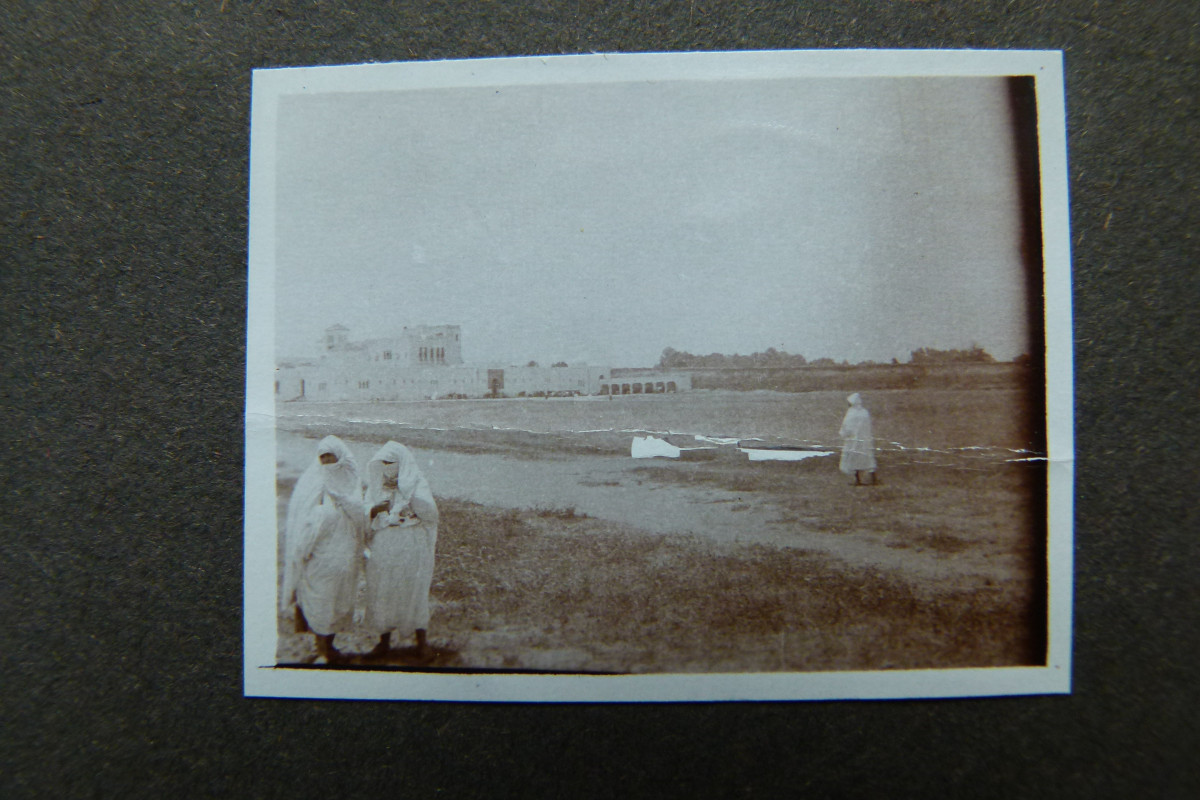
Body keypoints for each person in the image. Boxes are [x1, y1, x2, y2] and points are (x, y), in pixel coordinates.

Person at [280, 435, 365, 664]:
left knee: (338, 603)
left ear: (340, 455)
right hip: (319, 554)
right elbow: (304, 520)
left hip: (344, 554)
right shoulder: (313, 481)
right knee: (320, 602)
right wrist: (303, 548)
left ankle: (330, 647)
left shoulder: (351, 478)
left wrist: (345, 501)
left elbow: (361, 515)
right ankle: (322, 650)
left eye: (331, 456)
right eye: (323, 457)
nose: (327, 461)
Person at [362, 440, 439, 662]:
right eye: (383, 462)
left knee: (413, 588)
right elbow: (365, 509)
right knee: (383, 589)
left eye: (391, 462)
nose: (387, 467)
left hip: (410, 541)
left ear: (402, 462)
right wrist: (375, 509)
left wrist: (408, 493)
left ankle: (421, 641)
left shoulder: (416, 481)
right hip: (385, 542)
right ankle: (383, 641)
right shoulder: (377, 485)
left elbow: (430, 513)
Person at [839, 392, 878, 485]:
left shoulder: (851, 413)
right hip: (865, 440)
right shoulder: (864, 412)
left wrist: (844, 434)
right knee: (868, 459)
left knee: (854, 459)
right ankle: (873, 479)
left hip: (853, 440)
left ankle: (858, 480)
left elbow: (847, 427)